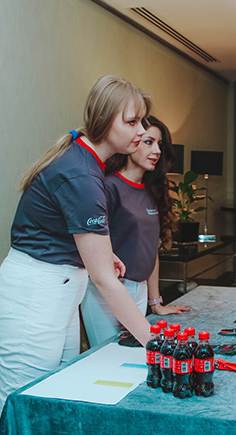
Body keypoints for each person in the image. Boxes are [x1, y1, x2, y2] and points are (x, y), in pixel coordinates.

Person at [0, 75, 155, 429]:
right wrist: (155, 342)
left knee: (53, 402)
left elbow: (62, 229)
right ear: (104, 121)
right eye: (132, 122)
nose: (141, 130)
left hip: (57, 294)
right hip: (35, 300)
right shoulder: (82, 176)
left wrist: (102, 254)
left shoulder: (84, 159)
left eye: (141, 121)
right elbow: (105, 281)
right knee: (20, 411)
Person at [80, 116, 189, 346]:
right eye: (149, 142)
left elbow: (151, 249)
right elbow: (92, 248)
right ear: (132, 143)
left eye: (160, 144)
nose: (156, 151)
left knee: (134, 357)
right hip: (107, 292)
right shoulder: (109, 187)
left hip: (140, 290)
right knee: (107, 359)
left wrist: (156, 303)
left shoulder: (152, 190)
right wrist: (119, 300)